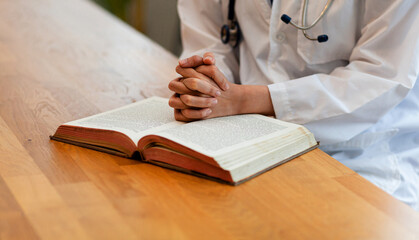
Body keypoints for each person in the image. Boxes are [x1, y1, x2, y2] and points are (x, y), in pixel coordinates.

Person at [168, 0, 419, 210]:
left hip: (361, 155)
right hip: (245, 139)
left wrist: (244, 99)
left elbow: (379, 76)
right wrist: (206, 84)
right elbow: (210, 37)